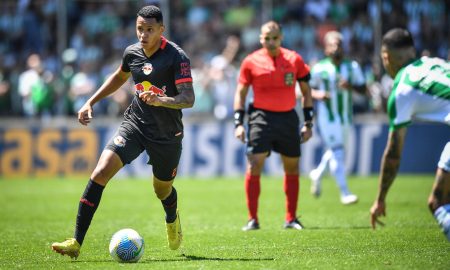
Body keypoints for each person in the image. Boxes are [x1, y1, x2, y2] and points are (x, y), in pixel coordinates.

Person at [51, 5, 195, 258]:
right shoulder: (132, 53)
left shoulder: (177, 57)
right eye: (140, 28)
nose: (143, 34)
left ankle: (172, 218)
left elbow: (188, 98)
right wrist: (90, 102)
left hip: (166, 134)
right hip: (136, 124)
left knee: (162, 190)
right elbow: (119, 77)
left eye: (149, 29)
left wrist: (162, 101)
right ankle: (76, 241)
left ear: (162, 30)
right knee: (100, 171)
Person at [369, 28, 450, 241]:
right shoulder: (434, 62)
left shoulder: (402, 89)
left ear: (386, 58)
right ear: (412, 51)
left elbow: (393, 153)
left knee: (438, 202)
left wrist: (380, 199)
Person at [234, 21, 314, 231]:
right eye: (266, 38)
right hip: (260, 117)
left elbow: (306, 92)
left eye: (274, 38)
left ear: (281, 38)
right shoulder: (250, 61)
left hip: (288, 117)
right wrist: (238, 124)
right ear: (260, 39)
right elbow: (240, 94)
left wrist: (308, 123)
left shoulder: (294, 59)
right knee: (254, 164)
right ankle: (252, 219)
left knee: (292, 167)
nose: (270, 42)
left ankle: (291, 218)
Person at [308, 31, 367, 205]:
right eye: (332, 44)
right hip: (328, 117)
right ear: (326, 48)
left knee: (335, 152)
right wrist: (318, 94)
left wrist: (350, 86)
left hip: (345, 117)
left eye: (339, 44)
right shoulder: (319, 68)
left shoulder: (352, 67)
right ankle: (344, 192)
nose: (336, 48)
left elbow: (364, 90)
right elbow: (303, 90)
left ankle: (317, 174)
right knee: (338, 152)